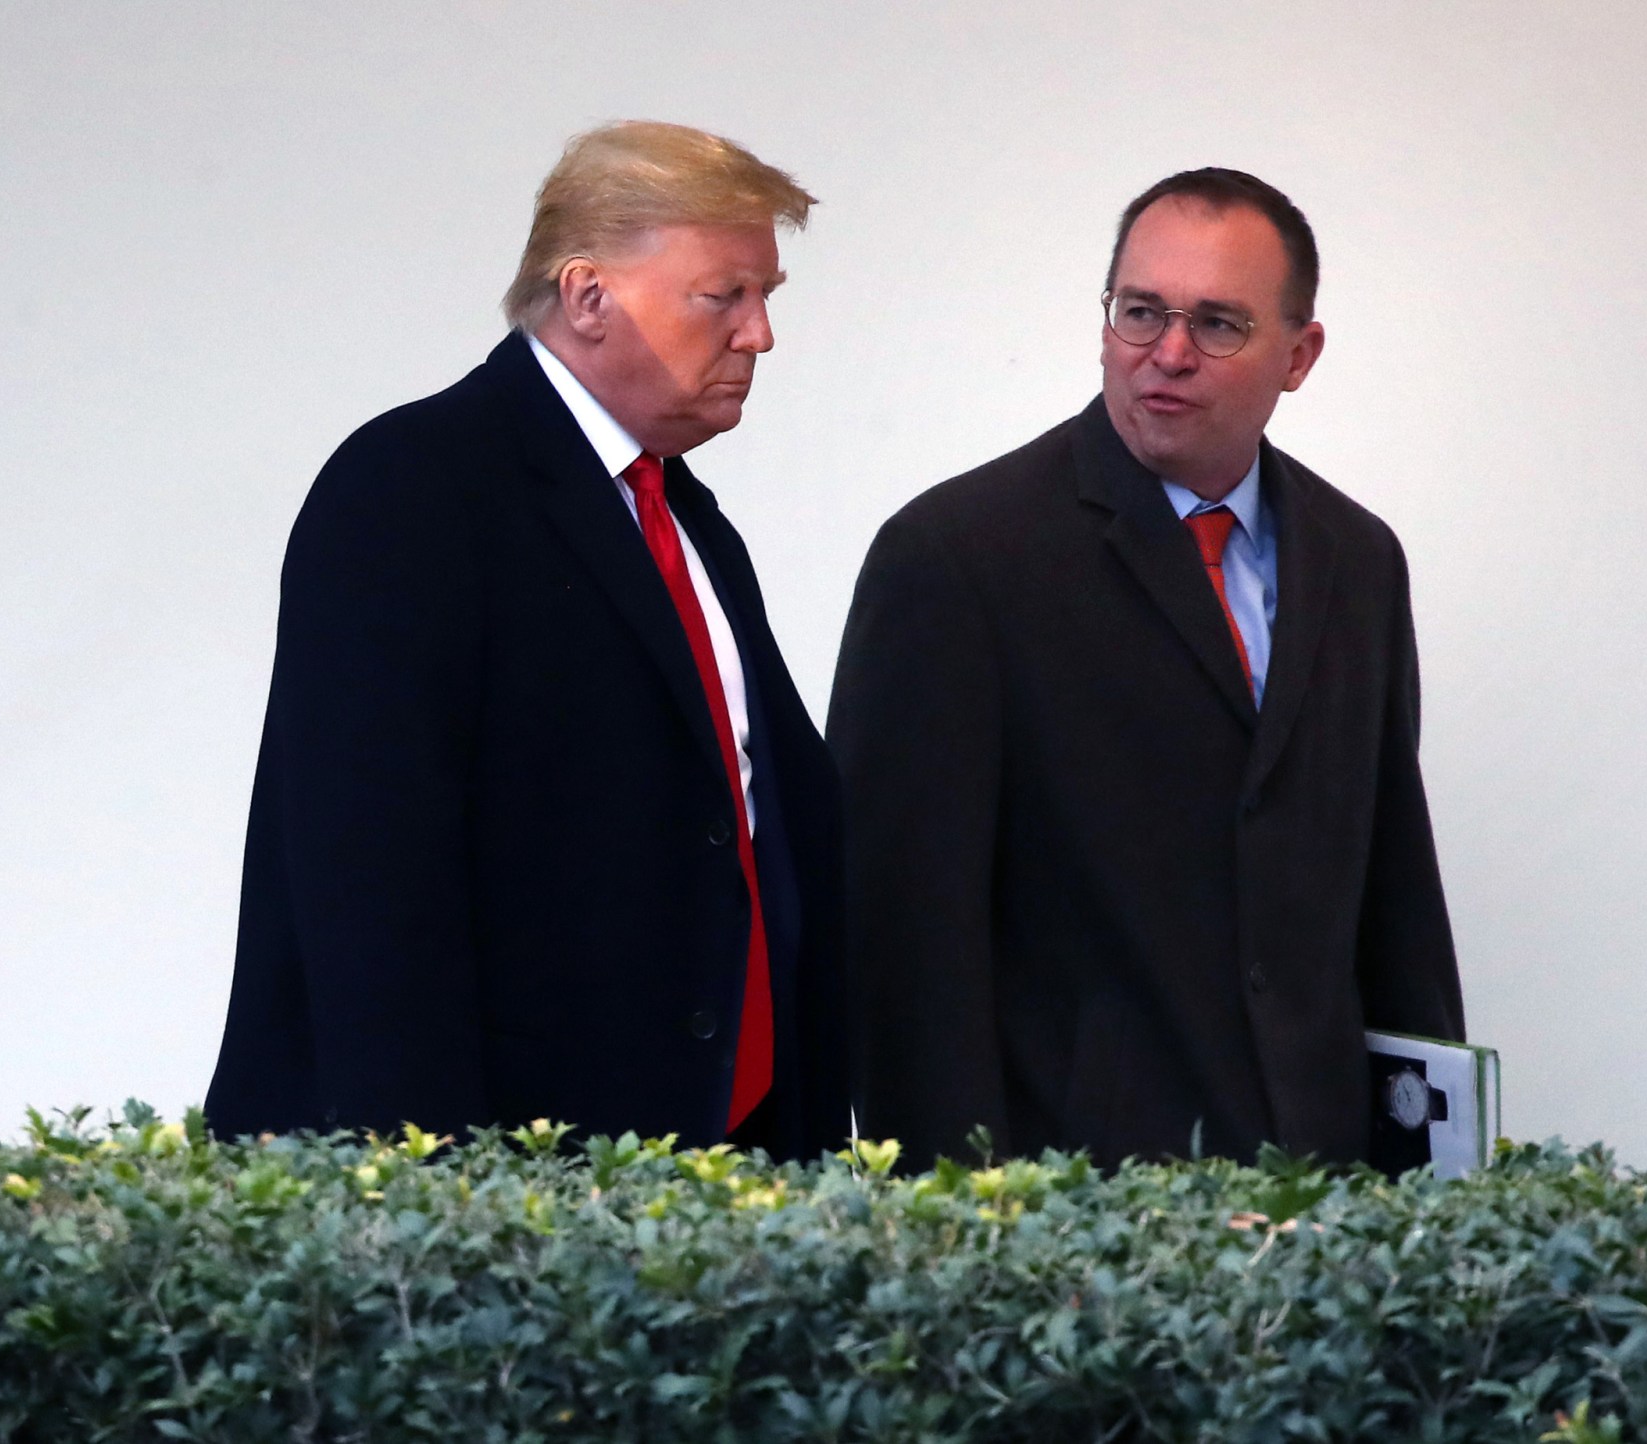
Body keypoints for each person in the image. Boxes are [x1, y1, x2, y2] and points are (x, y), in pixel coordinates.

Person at [205, 121, 847, 1159]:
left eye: (765, 297)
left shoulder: (684, 519)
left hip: (710, 1175)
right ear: (588, 295)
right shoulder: (411, 487)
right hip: (507, 1199)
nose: (759, 334)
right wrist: (438, 1197)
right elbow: (366, 880)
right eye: (722, 295)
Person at [828, 168, 1464, 1172]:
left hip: (1325, 1202)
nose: (1165, 354)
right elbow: (903, 944)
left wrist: (1431, 1183)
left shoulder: (1355, 560)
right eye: (1139, 313)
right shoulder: (957, 558)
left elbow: (1392, 901)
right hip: (1073, 1211)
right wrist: (951, 1222)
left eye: (1216, 324)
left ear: (1297, 355)